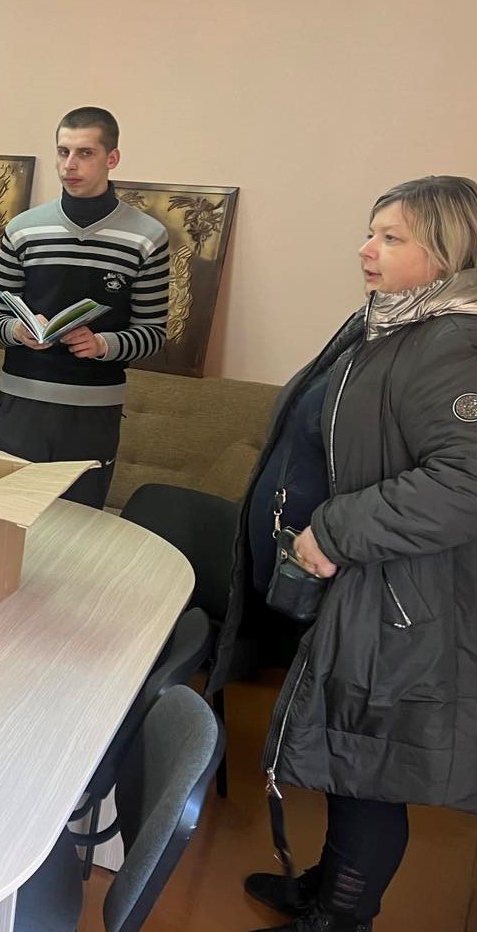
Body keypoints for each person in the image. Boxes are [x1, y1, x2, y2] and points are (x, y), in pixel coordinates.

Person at [226, 176, 477, 932]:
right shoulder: (394, 323)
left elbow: (465, 480)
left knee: (367, 766)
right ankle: (329, 889)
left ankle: (341, 917)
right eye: (372, 232)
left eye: (392, 238)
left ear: (448, 253)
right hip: (361, 588)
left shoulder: (452, 343)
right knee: (347, 752)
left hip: (395, 596)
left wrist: (336, 531)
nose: (367, 249)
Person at [0, 107, 170, 508]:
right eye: (63, 152)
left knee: (80, 522)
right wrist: (18, 330)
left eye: (85, 153)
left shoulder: (148, 237)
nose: (69, 165)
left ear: (112, 158)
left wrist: (103, 345)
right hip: (23, 401)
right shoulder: (22, 229)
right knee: (8, 516)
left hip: (94, 409)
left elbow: (153, 333)